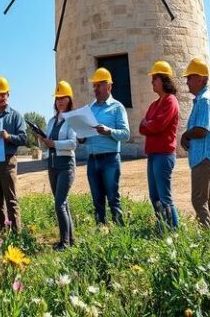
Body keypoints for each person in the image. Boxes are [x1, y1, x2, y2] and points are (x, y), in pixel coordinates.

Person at [82, 67, 130, 225]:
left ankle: (119, 233)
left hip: (110, 159)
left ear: (109, 86)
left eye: (99, 85)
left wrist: (109, 131)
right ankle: (100, 231)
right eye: (94, 85)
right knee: (97, 200)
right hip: (92, 159)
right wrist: (81, 138)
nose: (95, 89)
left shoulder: (117, 107)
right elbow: (87, 134)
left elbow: (126, 134)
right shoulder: (90, 109)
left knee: (113, 198)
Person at [179, 58, 210, 230]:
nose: (187, 81)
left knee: (198, 200)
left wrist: (185, 135)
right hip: (206, 157)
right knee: (208, 200)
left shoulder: (205, 101)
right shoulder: (203, 99)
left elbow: (202, 130)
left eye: (190, 77)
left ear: (201, 79)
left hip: (203, 158)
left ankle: (208, 237)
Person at [139, 61, 180, 229]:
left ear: (164, 80)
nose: (152, 81)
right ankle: (161, 226)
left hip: (164, 154)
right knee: (154, 195)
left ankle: (173, 231)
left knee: (165, 196)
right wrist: (149, 124)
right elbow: (142, 127)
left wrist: (149, 124)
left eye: (155, 78)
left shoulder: (171, 101)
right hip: (153, 154)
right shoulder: (154, 104)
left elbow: (158, 125)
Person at [0, 76, 27, 232]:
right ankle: (2, 235)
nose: (1, 97)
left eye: (3, 94)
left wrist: (9, 137)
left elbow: (24, 138)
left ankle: (16, 236)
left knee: (11, 201)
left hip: (8, 163)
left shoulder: (16, 116)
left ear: (8, 94)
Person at [39, 81, 78, 250]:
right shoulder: (51, 121)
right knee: (63, 203)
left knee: (59, 204)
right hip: (52, 165)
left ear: (69, 100)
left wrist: (53, 143)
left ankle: (64, 243)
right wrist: (41, 141)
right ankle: (70, 239)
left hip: (66, 165)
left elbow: (72, 143)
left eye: (63, 98)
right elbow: (45, 147)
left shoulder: (73, 119)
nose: (60, 101)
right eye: (57, 98)